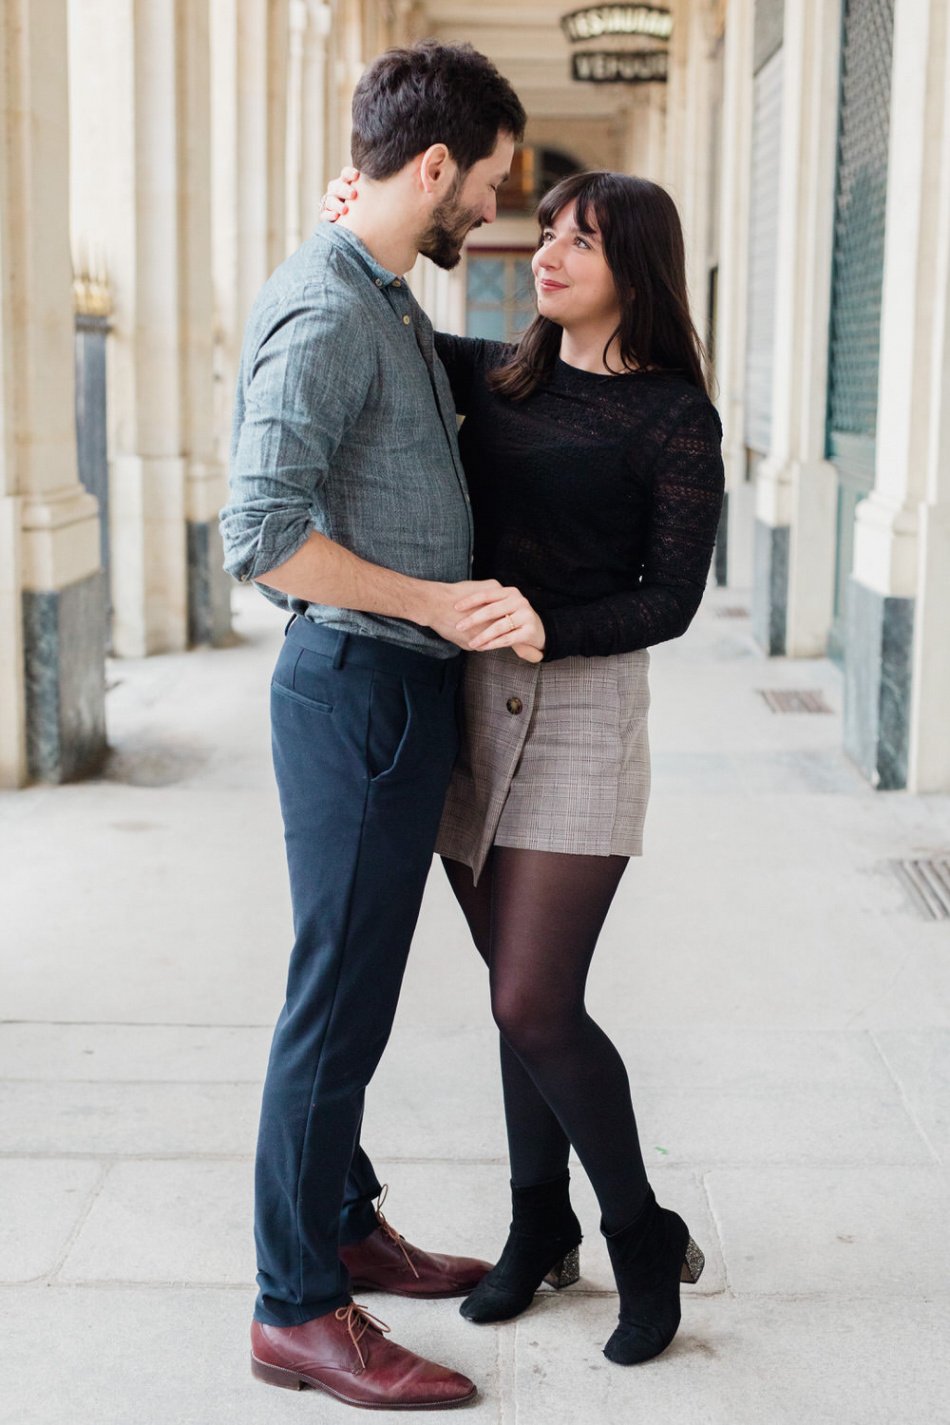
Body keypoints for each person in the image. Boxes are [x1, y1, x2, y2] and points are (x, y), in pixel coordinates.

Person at [323, 164, 725, 1365]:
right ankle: (536, 1225)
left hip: (587, 705)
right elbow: (376, 305)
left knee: (530, 997)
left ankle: (638, 1231)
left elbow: (672, 597)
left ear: (633, 269)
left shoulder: (672, 415)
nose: (544, 254)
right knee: (518, 996)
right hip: (471, 705)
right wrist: (352, 212)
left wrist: (553, 628)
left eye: (578, 242)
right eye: (544, 230)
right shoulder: (492, 371)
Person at [219, 42, 526, 1411]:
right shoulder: (333, 308)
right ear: (436, 167)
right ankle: (295, 1306)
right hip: (354, 689)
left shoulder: (380, 288)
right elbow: (261, 534)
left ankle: (344, 1222)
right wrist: (437, 606)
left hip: (387, 692)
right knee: (332, 1011)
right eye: (493, 186)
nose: (495, 214)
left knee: (356, 995)